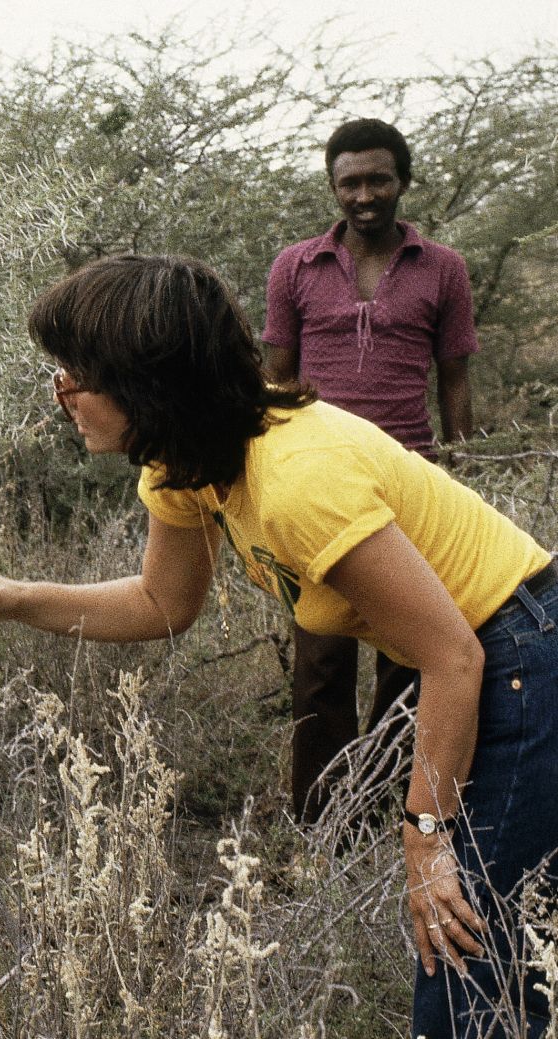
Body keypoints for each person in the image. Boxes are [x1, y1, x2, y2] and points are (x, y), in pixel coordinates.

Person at [0, 254, 555, 1038]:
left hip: (522, 650)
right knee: (496, 941)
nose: (62, 394)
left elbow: (455, 657)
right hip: (486, 656)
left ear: (145, 380)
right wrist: (13, 596)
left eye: (73, 374)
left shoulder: (296, 478)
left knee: (466, 955)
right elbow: (162, 601)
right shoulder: (184, 463)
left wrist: (423, 838)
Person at [264, 117, 480, 823]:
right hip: (316, 489)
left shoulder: (441, 268)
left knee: (411, 660)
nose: (364, 194)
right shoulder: (294, 267)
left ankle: (383, 811)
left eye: (377, 179)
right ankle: (319, 826)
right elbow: (278, 378)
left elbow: (454, 380)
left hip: (410, 485)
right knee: (320, 665)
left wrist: (462, 472)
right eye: (350, 182)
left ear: (402, 182)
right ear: (333, 187)